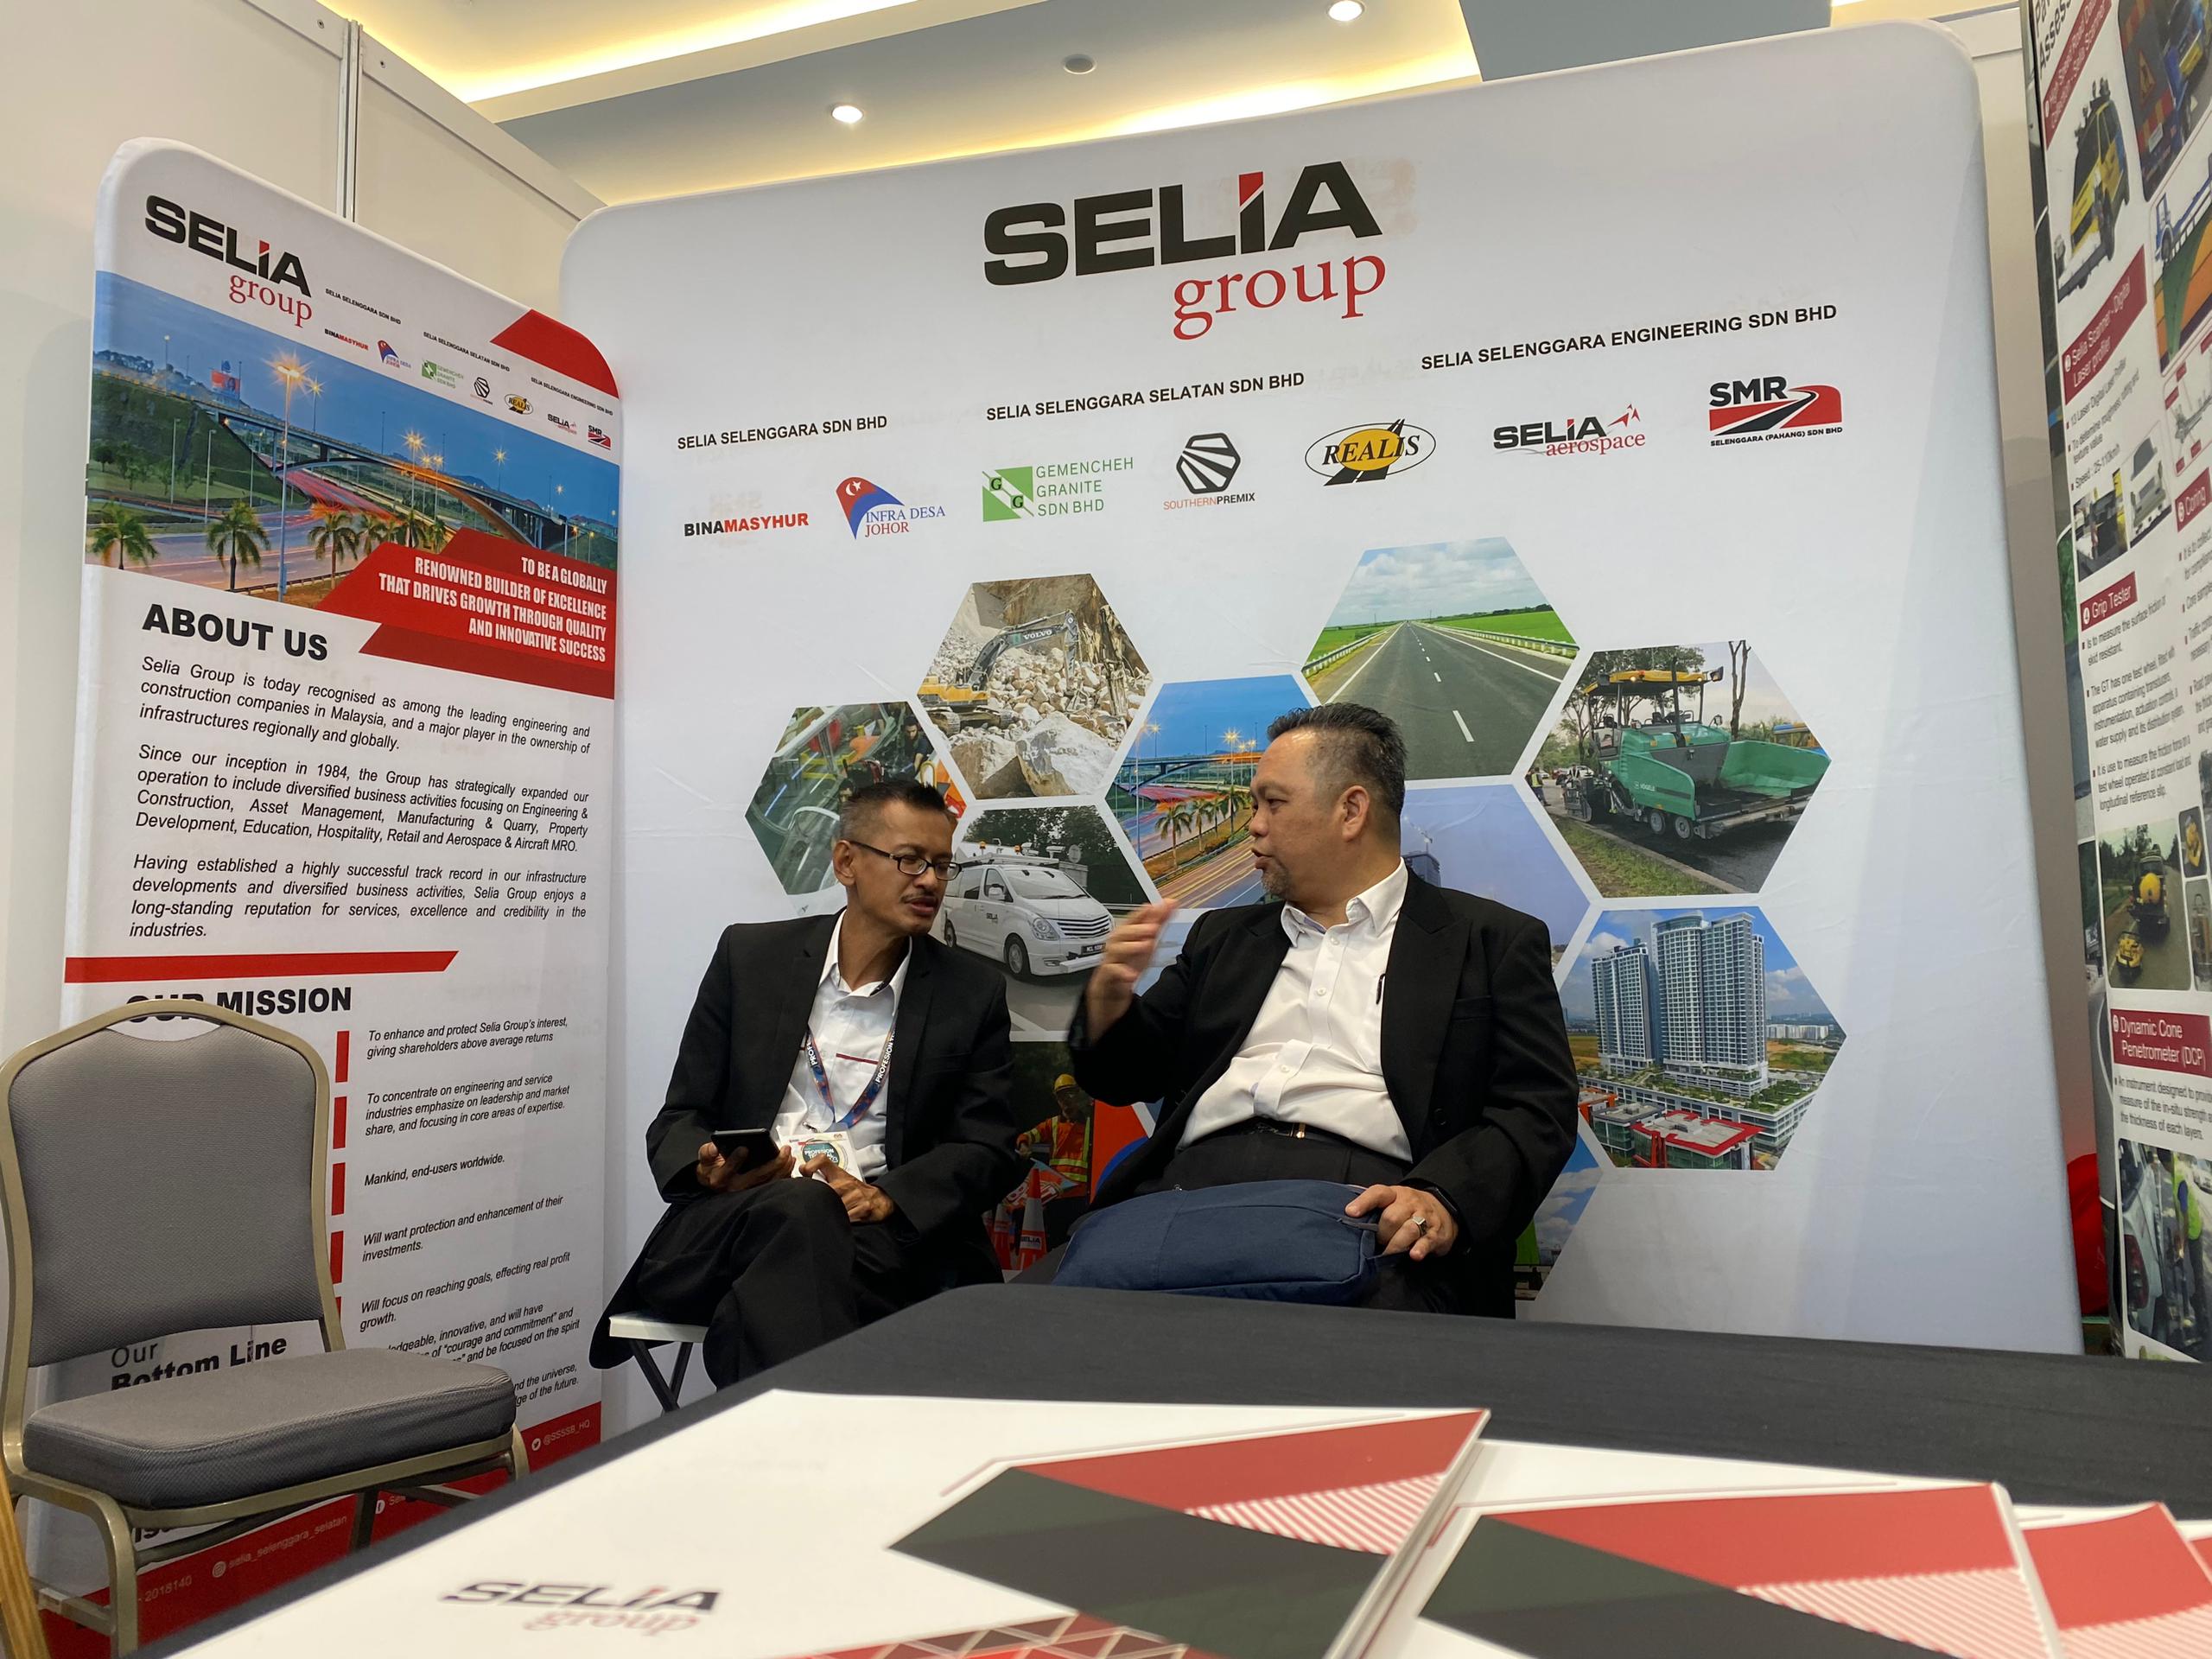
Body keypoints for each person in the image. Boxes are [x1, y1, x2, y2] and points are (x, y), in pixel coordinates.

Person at [1040, 702, 1577, 1315]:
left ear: (1351, 811)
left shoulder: (1489, 940)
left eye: (1273, 803)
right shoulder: (1223, 939)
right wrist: (1108, 1000)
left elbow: (1537, 1108)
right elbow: (1123, 1077)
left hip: (1369, 1207)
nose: (1253, 826)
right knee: (1028, 1325)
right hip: (1188, 1194)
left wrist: (1443, 1198)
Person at [592, 779, 1020, 1386]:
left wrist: (888, 1197)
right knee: (801, 1209)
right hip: (734, 1220)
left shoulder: (970, 993)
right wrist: (710, 1169)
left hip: (878, 1236)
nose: (929, 881)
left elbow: (986, 1148)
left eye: (942, 865)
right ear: (846, 861)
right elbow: (680, 1117)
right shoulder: (751, 958)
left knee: (783, 1275)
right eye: (909, 860)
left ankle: (773, 1424)